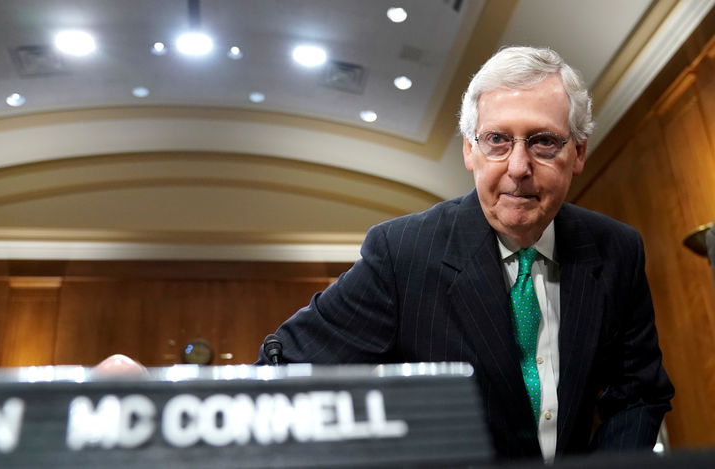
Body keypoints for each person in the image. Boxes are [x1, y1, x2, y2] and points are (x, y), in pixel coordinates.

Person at [256, 46, 674, 462]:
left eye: (543, 142)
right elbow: (283, 376)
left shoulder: (618, 250)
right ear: (469, 150)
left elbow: (639, 392)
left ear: (578, 153)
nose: (518, 167)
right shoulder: (401, 255)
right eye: (496, 140)